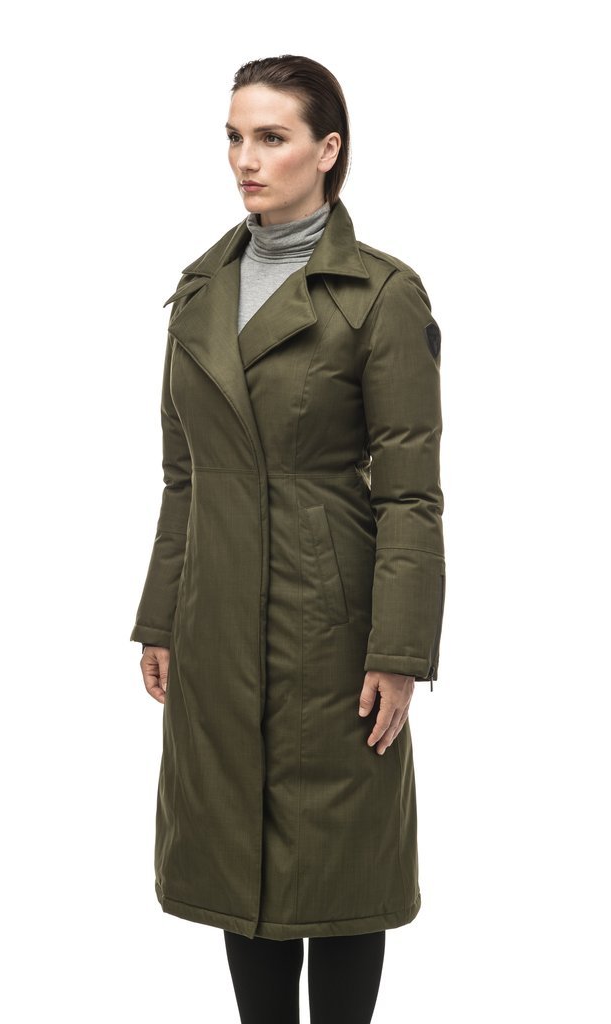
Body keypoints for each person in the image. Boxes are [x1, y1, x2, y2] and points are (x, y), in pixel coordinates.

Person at [130, 54, 446, 1024]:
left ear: (328, 150)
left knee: (340, 861)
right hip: (216, 616)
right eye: (235, 136)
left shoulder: (380, 292)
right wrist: (161, 618)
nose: (246, 159)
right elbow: (184, 475)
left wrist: (399, 652)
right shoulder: (200, 289)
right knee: (239, 850)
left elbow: (411, 494)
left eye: (271, 137)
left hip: (331, 622)